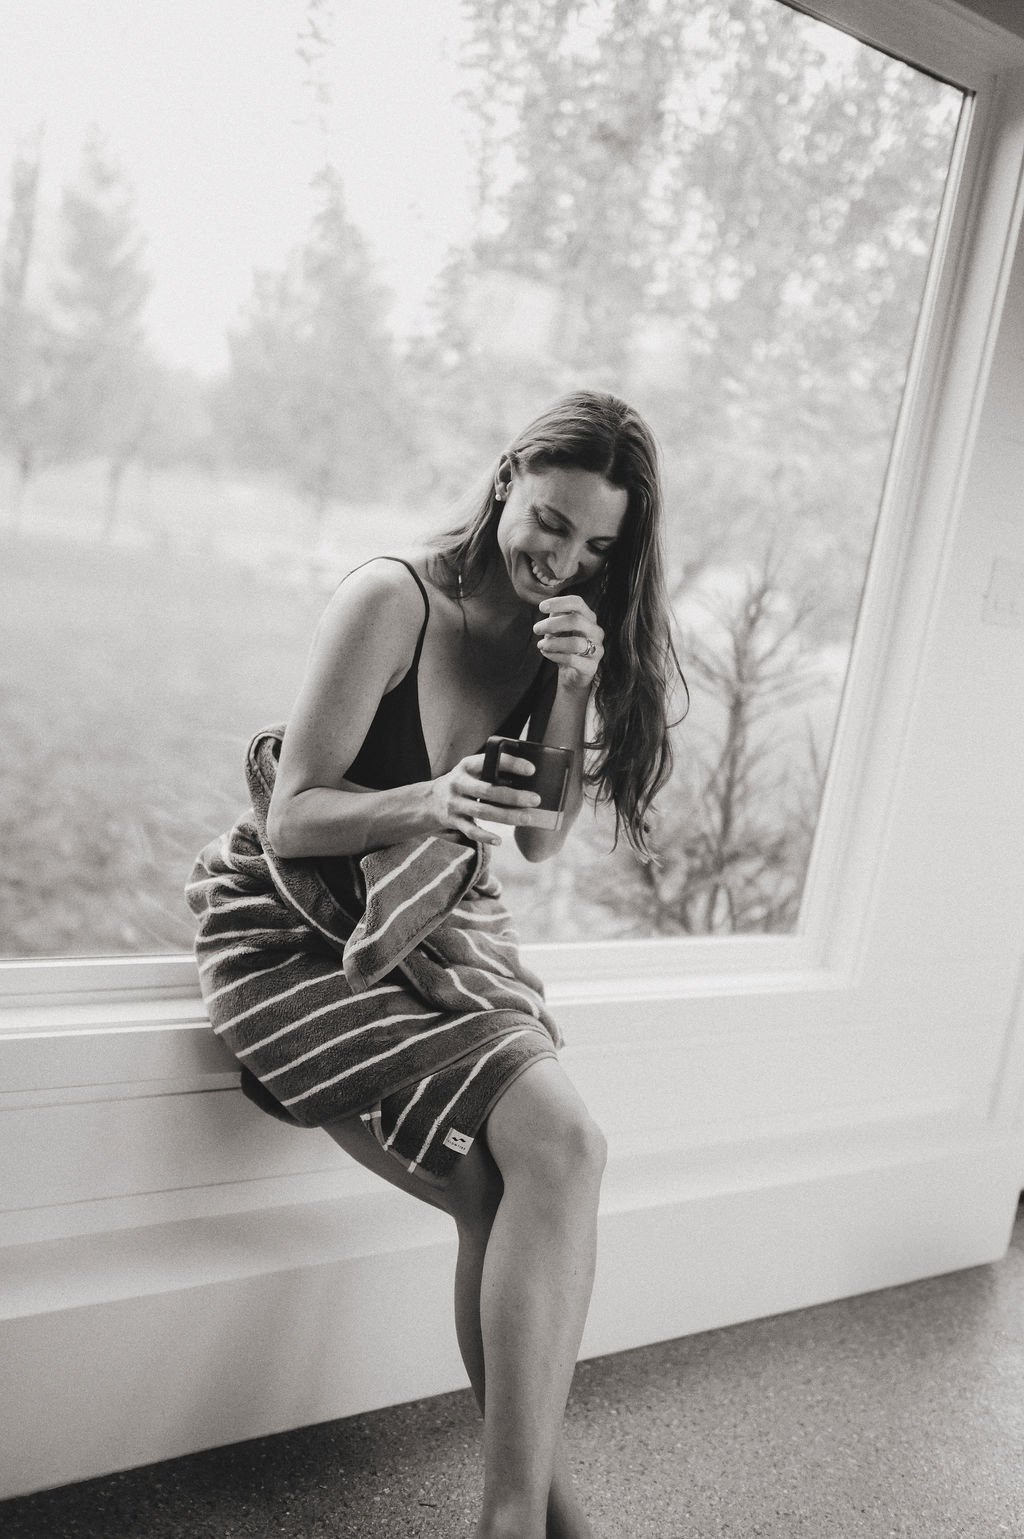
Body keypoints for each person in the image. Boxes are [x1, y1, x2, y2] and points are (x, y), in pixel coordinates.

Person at [188, 389, 685, 1539]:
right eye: (550, 522)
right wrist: (431, 797)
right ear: (507, 477)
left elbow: (542, 839)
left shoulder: (555, 637)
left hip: (434, 914)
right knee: (539, 1162)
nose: (561, 561)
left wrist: (572, 687)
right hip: (294, 922)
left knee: (539, 1171)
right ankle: (536, 1519)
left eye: (596, 548)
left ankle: (521, 1517)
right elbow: (291, 817)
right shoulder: (390, 599)